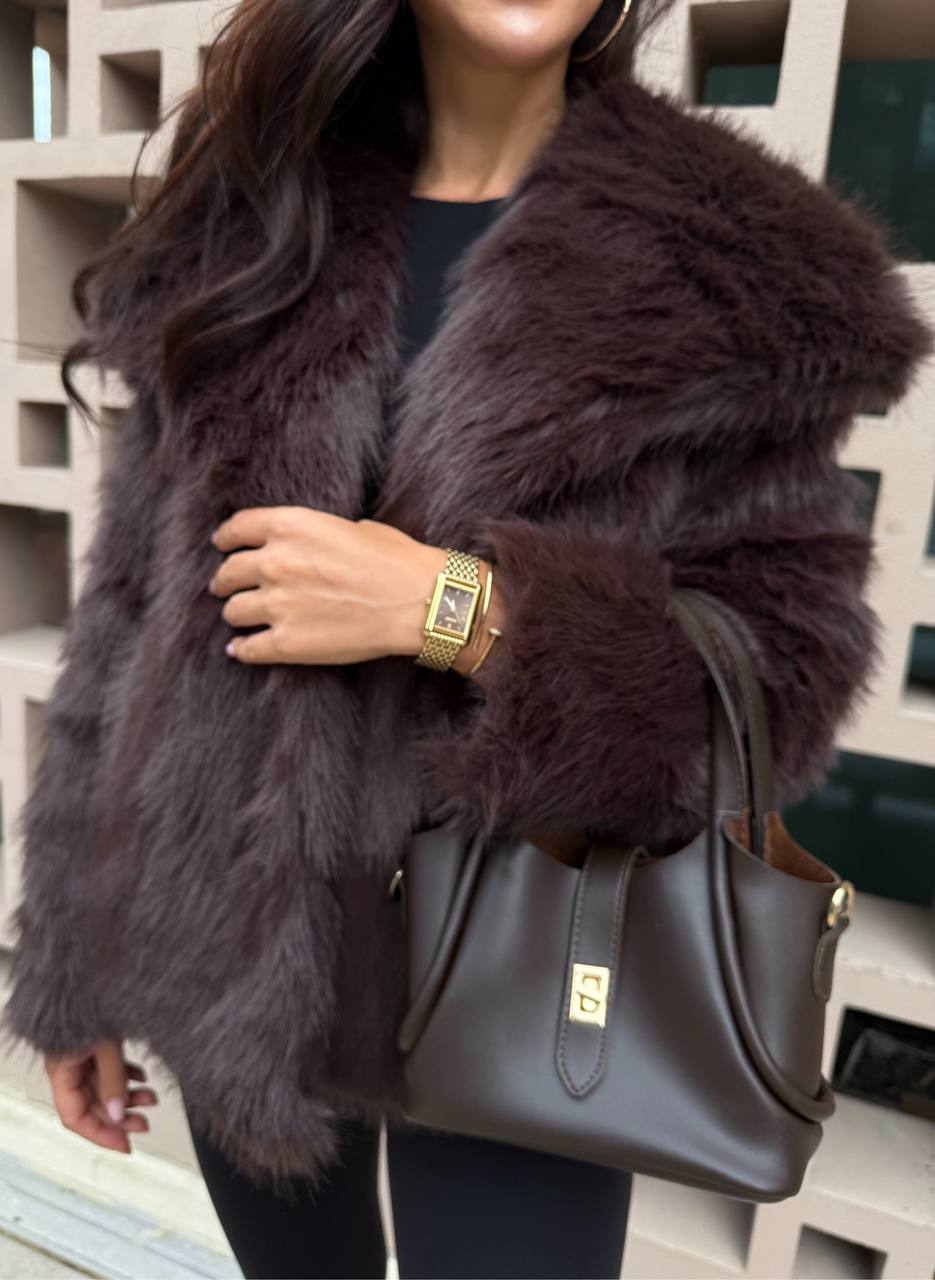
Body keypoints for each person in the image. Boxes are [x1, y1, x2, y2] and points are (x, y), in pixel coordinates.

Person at [3, 0, 931, 1277]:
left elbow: (774, 686)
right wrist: (69, 963)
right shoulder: (254, 222)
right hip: (233, 938)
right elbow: (124, 619)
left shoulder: (734, 267)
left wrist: (457, 610)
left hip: (530, 960)